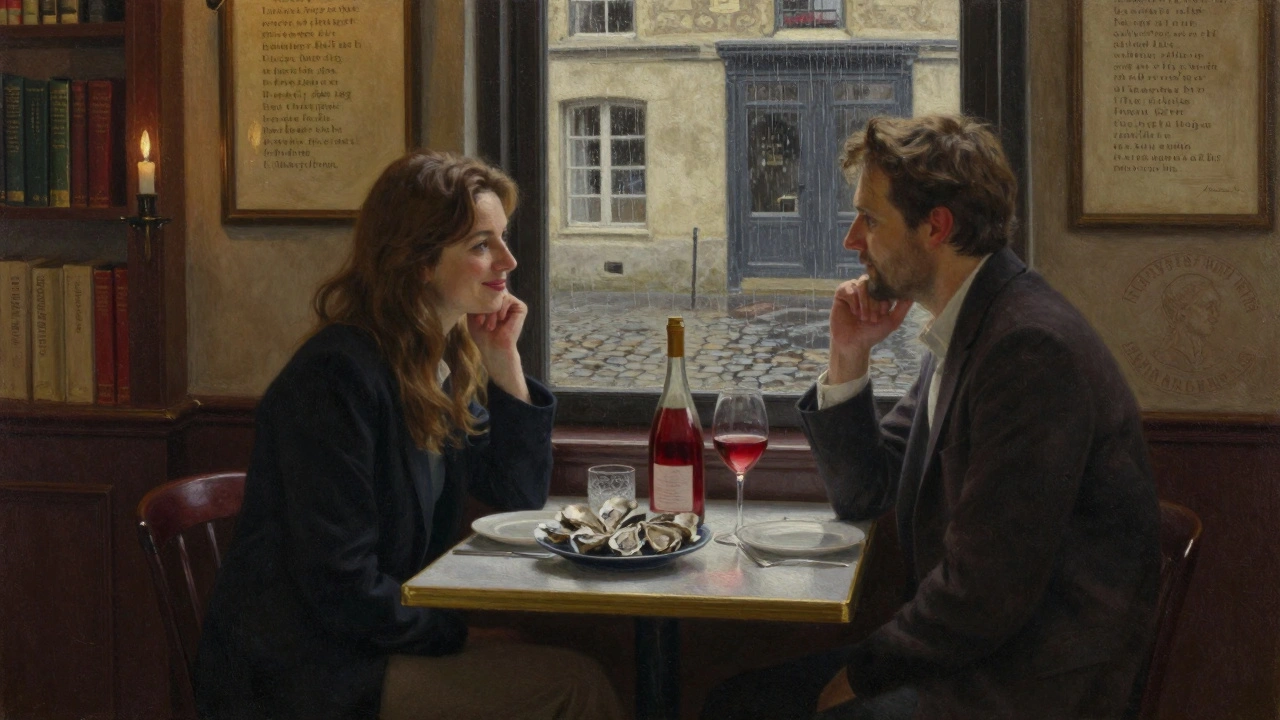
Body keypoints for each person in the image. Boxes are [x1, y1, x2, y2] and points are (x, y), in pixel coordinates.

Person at [702, 114, 1160, 719]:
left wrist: (861, 675)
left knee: (750, 709)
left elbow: (985, 594)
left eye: (869, 218)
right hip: (975, 657)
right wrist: (849, 356)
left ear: (936, 227)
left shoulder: (1028, 350)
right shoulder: (973, 324)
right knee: (739, 702)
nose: (851, 242)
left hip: (1029, 686)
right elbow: (866, 493)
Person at [193, 150, 624, 720]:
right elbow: (340, 586)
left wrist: (502, 359)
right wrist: (455, 634)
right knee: (576, 686)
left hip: (373, 645)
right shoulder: (336, 378)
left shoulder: (434, 365)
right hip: (309, 676)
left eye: (502, 238)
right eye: (480, 244)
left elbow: (518, 492)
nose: (508, 259)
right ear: (418, 262)